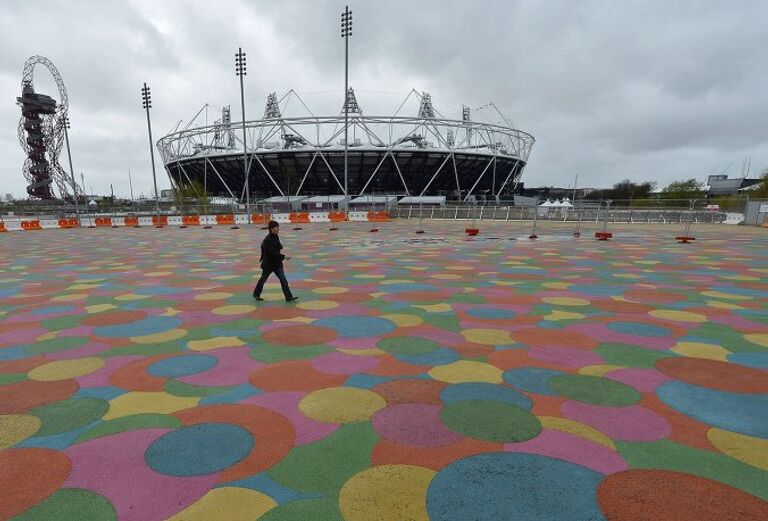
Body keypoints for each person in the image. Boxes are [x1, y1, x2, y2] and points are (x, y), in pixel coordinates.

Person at [253, 221, 298, 302]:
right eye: (276, 227)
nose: (278, 229)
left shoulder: (275, 236)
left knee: (283, 279)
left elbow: (278, 247)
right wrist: (284, 257)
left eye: (278, 227)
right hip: (269, 264)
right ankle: (256, 294)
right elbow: (272, 253)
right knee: (263, 279)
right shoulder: (267, 240)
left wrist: (280, 246)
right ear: (271, 229)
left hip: (277, 263)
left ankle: (288, 297)